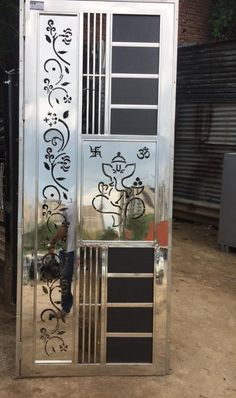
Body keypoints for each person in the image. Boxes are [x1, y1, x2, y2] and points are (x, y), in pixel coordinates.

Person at [48, 203, 75, 318]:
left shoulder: (68, 208)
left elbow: (64, 229)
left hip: (73, 249)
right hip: (70, 249)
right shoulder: (70, 208)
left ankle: (66, 308)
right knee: (65, 277)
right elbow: (65, 229)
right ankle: (66, 308)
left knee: (65, 277)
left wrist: (52, 242)